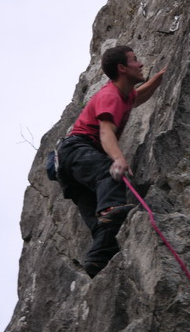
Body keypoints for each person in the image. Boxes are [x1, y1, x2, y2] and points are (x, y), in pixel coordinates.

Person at [57, 45, 166, 278]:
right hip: (77, 150)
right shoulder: (110, 96)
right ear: (122, 68)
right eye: (134, 60)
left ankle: (97, 262)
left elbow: (139, 96)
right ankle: (110, 210)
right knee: (109, 176)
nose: (141, 64)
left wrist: (159, 78)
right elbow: (106, 132)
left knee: (104, 227)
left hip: (69, 169)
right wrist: (118, 159)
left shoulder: (124, 95)